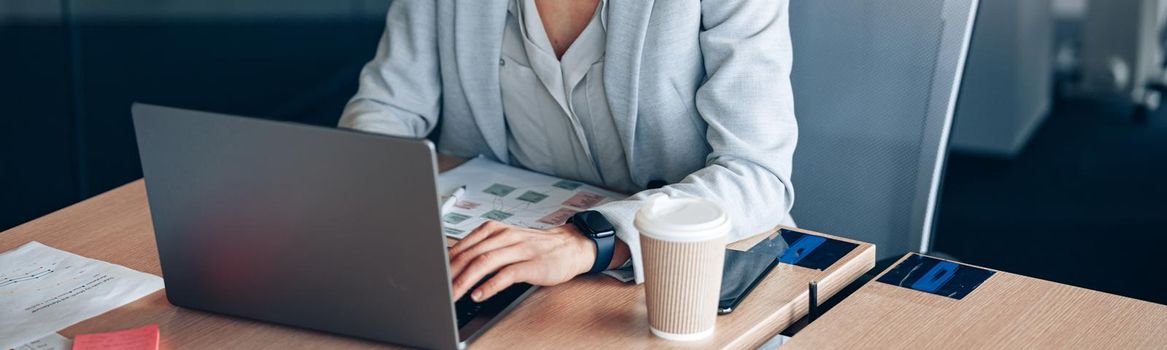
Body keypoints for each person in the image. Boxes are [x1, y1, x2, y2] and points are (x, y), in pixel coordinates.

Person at [340, 0, 797, 303]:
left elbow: (755, 174)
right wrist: (379, 201)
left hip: (681, 279)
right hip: (503, 274)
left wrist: (590, 240)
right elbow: (385, 108)